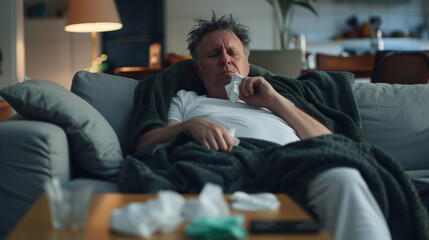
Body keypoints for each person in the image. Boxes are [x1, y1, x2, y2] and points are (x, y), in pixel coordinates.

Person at [135, 13, 391, 240]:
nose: (225, 60)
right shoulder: (186, 99)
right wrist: (189, 126)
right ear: (199, 70)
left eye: (232, 53)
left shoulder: (278, 98)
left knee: (344, 176)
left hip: (291, 165)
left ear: (247, 63)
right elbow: (148, 143)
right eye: (214, 55)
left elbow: (329, 143)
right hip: (220, 164)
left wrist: (274, 101)